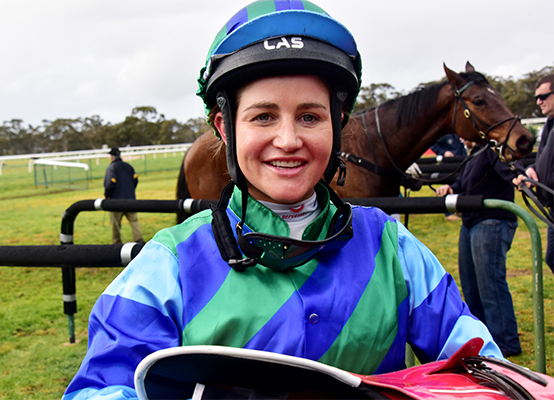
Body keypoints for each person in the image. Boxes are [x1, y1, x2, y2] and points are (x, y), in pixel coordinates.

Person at [63, 2, 502, 399]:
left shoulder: (396, 248)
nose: (288, 140)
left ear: (338, 123)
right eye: (264, 116)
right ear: (224, 126)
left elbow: (485, 370)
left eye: (310, 116)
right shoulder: (165, 266)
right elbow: (102, 387)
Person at [436, 139, 525, 357]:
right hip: (471, 221)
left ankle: (506, 342)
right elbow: (466, 184)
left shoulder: (493, 150)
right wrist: (452, 188)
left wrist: (520, 177)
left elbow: (512, 166)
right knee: (471, 285)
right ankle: (482, 339)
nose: (463, 138)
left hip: (491, 221)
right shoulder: (475, 152)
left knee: (490, 285)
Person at [513, 73, 554, 274]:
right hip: (552, 207)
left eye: (543, 96)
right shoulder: (549, 125)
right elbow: (545, 160)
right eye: (537, 97)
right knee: (552, 258)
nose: (538, 102)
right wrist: (532, 171)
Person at [103, 147, 144, 245]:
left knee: (115, 223)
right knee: (134, 221)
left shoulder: (111, 168)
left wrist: (107, 195)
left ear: (112, 157)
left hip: (116, 201)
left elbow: (110, 184)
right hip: (131, 200)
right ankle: (139, 240)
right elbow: (135, 180)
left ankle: (117, 242)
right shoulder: (128, 166)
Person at [430, 133, 467, 221]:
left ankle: (459, 209)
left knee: (461, 185)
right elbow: (432, 144)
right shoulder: (443, 133)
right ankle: (448, 214)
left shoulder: (457, 132)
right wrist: (443, 152)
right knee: (448, 186)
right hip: (448, 163)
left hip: (460, 162)